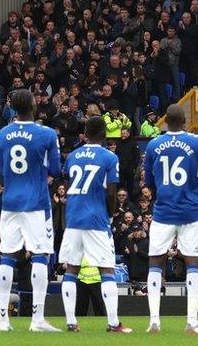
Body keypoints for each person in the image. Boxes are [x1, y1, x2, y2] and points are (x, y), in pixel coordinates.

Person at [142, 104, 198, 333]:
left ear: (165, 122)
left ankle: (154, 320)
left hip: (163, 211)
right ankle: (192, 322)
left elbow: (149, 182)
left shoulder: (154, 144)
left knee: (156, 262)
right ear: (184, 121)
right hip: (191, 212)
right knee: (193, 262)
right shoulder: (196, 142)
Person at [0, 89, 61, 332]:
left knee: (8, 257)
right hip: (36, 203)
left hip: (10, 202)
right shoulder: (46, 134)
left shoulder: (2, 134)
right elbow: (55, 169)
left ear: (11, 107)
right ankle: (37, 320)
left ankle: (3, 320)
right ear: (33, 105)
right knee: (40, 255)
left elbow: (1, 167)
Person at [59, 116, 131, 333]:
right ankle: (113, 323)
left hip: (73, 218)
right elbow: (111, 192)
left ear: (85, 134)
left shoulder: (72, 156)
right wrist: (110, 215)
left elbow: (67, 181)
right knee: (106, 269)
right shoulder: (109, 157)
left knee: (71, 269)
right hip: (96, 219)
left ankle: (71, 322)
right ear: (104, 134)